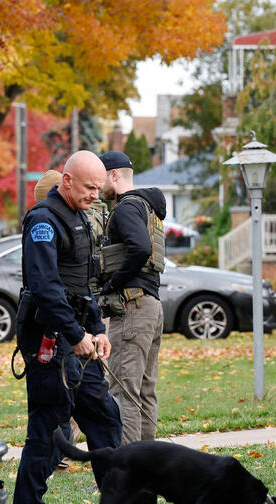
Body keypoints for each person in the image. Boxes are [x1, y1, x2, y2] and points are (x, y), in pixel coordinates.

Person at [10, 151, 122, 504]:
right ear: (68, 181)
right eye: (90, 187)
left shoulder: (78, 218)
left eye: (99, 188)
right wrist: (75, 337)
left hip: (75, 334)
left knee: (104, 414)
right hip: (49, 339)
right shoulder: (43, 222)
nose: (96, 194)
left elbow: (82, 286)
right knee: (49, 426)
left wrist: (97, 329)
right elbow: (46, 288)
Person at [98, 150, 168, 445]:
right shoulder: (147, 207)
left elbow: (139, 248)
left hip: (133, 306)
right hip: (151, 305)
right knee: (144, 390)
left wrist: (113, 282)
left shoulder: (126, 208)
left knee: (123, 392)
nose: (95, 186)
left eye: (98, 178)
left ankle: (127, 473)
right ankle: (149, 468)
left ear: (113, 175)